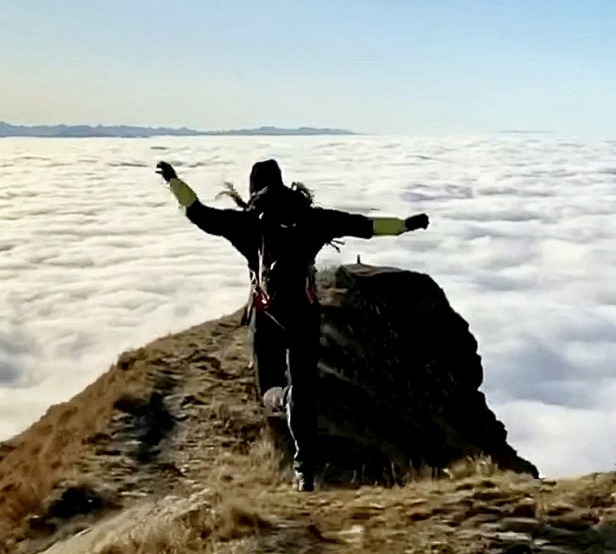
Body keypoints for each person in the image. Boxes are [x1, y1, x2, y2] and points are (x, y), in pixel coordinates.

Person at [155, 158, 429, 491]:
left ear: (253, 187)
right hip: (305, 312)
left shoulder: (246, 223)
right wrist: (405, 224)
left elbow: (197, 213)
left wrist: (172, 181)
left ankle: (283, 400)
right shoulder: (313, 219)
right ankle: (305, 471)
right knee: (305, 388)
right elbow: (366, 226)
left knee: (270, 388)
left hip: (266, 315)